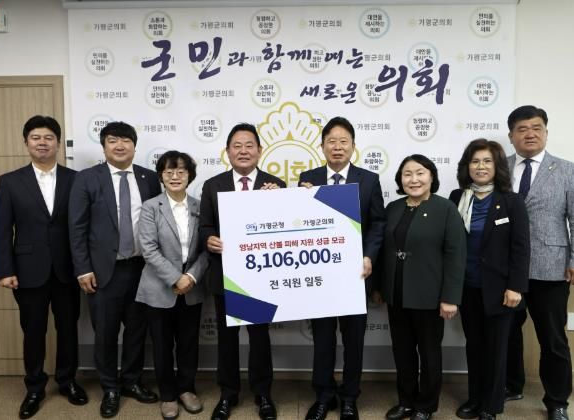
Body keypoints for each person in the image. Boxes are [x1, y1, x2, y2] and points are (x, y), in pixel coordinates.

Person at [0, 115, 88, 419]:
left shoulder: (76, 179)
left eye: (49, 137)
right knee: (33, 330)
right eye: (36, 137)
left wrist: (85, 266)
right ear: (26, 142)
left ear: (58, 143)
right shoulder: (10, 181)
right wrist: (5, 270)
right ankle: (34, 387)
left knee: (68, 329)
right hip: (27, 270)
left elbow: (84, 227)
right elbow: (2, 229)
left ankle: (67, 380)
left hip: (67, 269)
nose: (42, 143)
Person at [504, 106, 574, 420]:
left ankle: (557, 401)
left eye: (536, 128)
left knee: (553, 338)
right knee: (507, 332)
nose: (530, 134)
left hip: (551, 267)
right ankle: (511, 385)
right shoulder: (500, 167)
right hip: (507, 268)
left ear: (545, 132)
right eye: (522, 129)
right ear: (511, 135)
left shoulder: (568, 170)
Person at [68, 121, 161, 418]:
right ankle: (110, 387)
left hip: (142, 269)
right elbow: (77, 227)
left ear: (134, 145)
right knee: (105, 333)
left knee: (137, 331)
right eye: (112, 140)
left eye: (125, 140)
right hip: (103, 272)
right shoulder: (87, 178)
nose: (119, 145)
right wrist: (83, 269)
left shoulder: (149, 178)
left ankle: (131, 380)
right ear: (104, 146)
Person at [299, 116, 385, 420]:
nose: (337, 147)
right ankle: (324, 396)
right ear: (322, 146)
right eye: (331, 141)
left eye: (343, 141)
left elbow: (378, 224)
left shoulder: (368, 180)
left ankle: (349, 397)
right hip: (320, 276)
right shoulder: (308, 178)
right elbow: (297, 223)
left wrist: (369, 256)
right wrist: (301, 198)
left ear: (353, 146)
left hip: (355, 275)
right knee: (322, 340)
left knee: (353, 341)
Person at [199, 123, 285, 420]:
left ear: (259, 151)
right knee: (227, 338)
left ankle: (263, 394)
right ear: (227, 151)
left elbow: (285, 228)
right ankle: (228, 393)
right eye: (237, 145)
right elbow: (205, 226)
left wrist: (279, 200)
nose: (243, 151)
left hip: (261, 277)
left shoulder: (275, 184)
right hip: (226, 273)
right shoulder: (213, 185)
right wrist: (209, 239)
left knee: (260, 337)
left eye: (249, 145)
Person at [374, 154, 466, 420]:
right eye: (407, 174)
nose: (413, 179)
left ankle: (426, 406)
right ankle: (406, 401)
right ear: (400, 180)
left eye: (420, 173)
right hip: (396, 294)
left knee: (429, 354)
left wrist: (450, 297)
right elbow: (382, 250)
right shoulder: (393, 208)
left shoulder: (445, 209)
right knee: (402, 352)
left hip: (429, 297)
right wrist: (379, 287)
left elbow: (456, 254)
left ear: (431, 177)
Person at [449, 139, 530, 420]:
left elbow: (521, 248)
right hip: (467, 286)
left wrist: (516, 287)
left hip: (500, 289)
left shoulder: (511, 201)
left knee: (496, 350)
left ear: (497, 166)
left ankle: (491, 406)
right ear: (467, 166)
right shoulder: (457, 198)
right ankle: (475, 398)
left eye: (487, 161)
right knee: (474, 346)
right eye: (475, 161)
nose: (480, 167)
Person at [136, 151, 209, 420]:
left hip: (192, 287)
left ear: (190, 175)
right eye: (168, 172)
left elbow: (207, 249)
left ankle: (186, 389)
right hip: (159, 288)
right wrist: (175, 278)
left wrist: (190, 277)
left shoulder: (200, 206)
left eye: (181, 171)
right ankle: (168, 394)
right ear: (161, 176)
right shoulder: (150, 207)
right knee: (162, 345)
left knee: (189, 343)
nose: (175, 176)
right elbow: (149, 249)